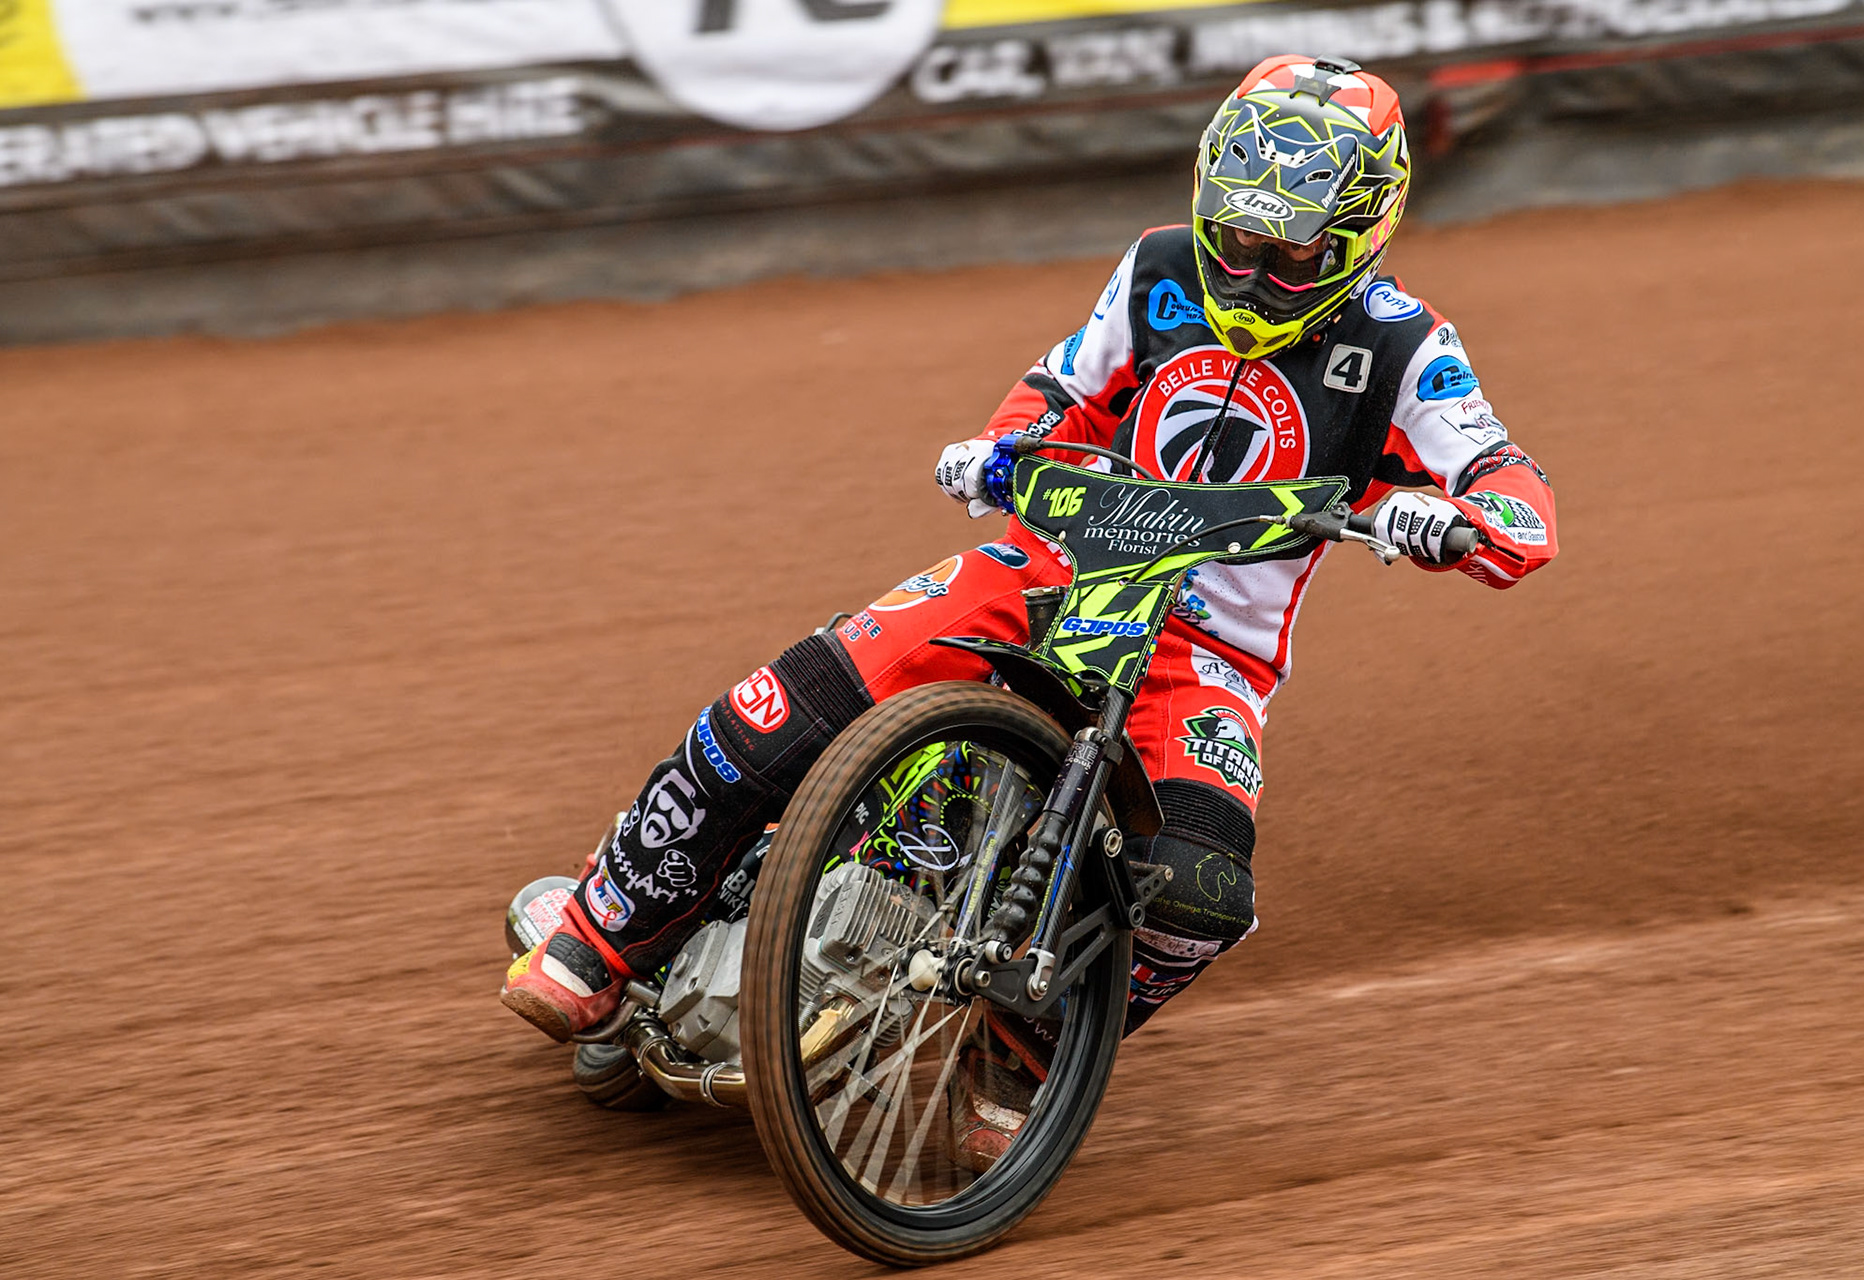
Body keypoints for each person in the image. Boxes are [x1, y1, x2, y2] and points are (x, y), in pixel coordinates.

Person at [502, 54, 1557, 1135]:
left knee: (1199, 893)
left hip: (1204, 659)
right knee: (785, 700)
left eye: (1288, 251)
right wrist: (1004, 448)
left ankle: (1025, 1056)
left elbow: (1519, 497)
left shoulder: (1407, 348)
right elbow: (1058, 386)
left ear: (1362, 234)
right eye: (1235, 238)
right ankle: (602, 925)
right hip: (1046, 572)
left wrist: (1457, 521)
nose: (1248, 271)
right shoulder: (1156, 268)